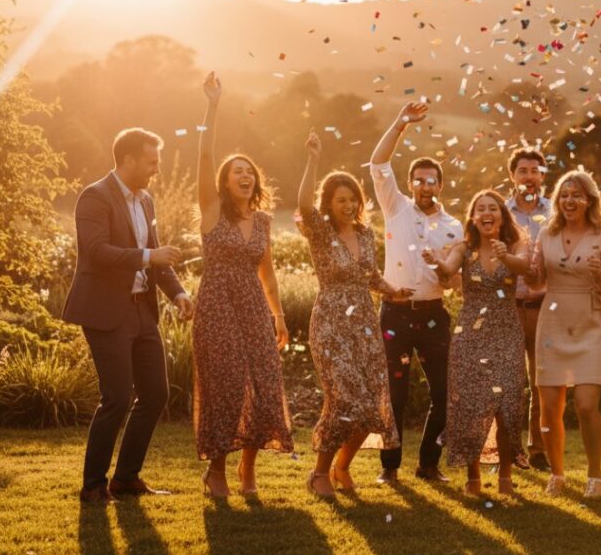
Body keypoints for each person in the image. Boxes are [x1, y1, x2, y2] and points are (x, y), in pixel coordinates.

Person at [63, 128, 194, 504]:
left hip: (142, 311)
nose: (157, 169)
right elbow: (97, 251)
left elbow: (155, 254)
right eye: (151, 161)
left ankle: (125, 478)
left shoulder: (146, 200)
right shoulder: (94, 196)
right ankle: (92, 487)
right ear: (129, 159)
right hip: (106, 312)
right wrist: (150, 257)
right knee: (117, 397)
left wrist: (178, 292)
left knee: (155, 394)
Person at [192, 73, 293, 498]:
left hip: (253, 305)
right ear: (224, 180)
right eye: (237, 171)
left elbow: (267, 273)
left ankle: (247, 470)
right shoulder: (212, 210)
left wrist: (279, 317)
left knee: (267, 385)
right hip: (217, 304)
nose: (245, 175)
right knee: (228, 385)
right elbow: (204, 156)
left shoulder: (265, 222)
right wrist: (213, 106)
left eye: (249, 171)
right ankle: (216, 468)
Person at [298, 129, 411, 498]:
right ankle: (318, 474)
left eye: (352, 199)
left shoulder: (365, 235)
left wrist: (393, 292)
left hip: (363, 321)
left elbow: (372, 276)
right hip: (331, 320)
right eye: (340, 200)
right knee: (344, 398)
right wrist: (314, 160)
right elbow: (302, 203)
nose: (347, 205)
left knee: (373, 405)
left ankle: (341, 467)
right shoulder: (318, 231)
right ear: (329, 204)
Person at [369, 102, 465, 485]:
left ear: (440, 185)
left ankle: (429, 464)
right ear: (410, 184)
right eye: (419, 180)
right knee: (395, 394)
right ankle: (389, 468)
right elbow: (378, 163)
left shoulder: (453, 226)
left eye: (432, 181)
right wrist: (401, 123)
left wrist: (443, 270)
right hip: (394, 313)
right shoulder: (396, 209)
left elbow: (454, 281)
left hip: (433, 315)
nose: (426, 186)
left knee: (445, 393)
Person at [422, 190, 530, 496]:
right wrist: (436, 262)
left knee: (507, 402)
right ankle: (472, 477)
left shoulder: (516, 244)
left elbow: (524, 267)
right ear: (473, 217)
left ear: (502, 215)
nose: (487, 213)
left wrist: (505, 255)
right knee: (472, 403)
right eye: (480, 208)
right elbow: (447, 270)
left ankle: (505, 476)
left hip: (507, 330)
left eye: (492, 208)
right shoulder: (464, 248)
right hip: (471, 332)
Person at [530, 171, 601, 498]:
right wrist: (527, 265)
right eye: (564, 195)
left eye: (577, 195)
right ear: (557, 200)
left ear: (590, 200)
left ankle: (595, 474)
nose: (570, 201)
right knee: (550, 406)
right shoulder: (547, 233)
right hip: (553, 318)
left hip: (592, 319)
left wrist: (600, 275)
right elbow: (535, 280)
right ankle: (557, 473)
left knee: (585, 405)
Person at [505, 148, 553, 472]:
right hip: (508, 306)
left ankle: (538, 452)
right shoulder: (501, 212)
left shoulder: (554, 212)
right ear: (513, 176)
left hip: (545, 307)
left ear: (542, 176)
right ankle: (510, 451)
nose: (529, 176)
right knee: (510, 383)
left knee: (542, 382)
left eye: (535, 170)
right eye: (523, 170)